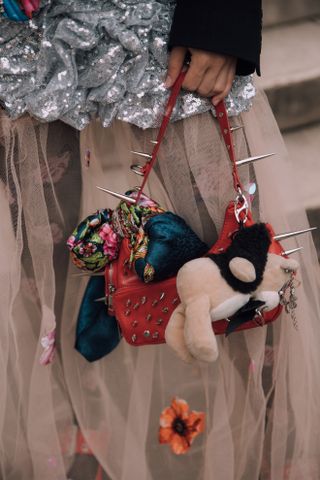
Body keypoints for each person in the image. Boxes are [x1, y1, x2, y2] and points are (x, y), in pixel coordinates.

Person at [0, 1, 320, 479]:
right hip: (22, 39)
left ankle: (274, 460)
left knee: (245, 275)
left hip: (163, 22)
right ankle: (74, 458)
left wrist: (220, 15)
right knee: (44, 288)